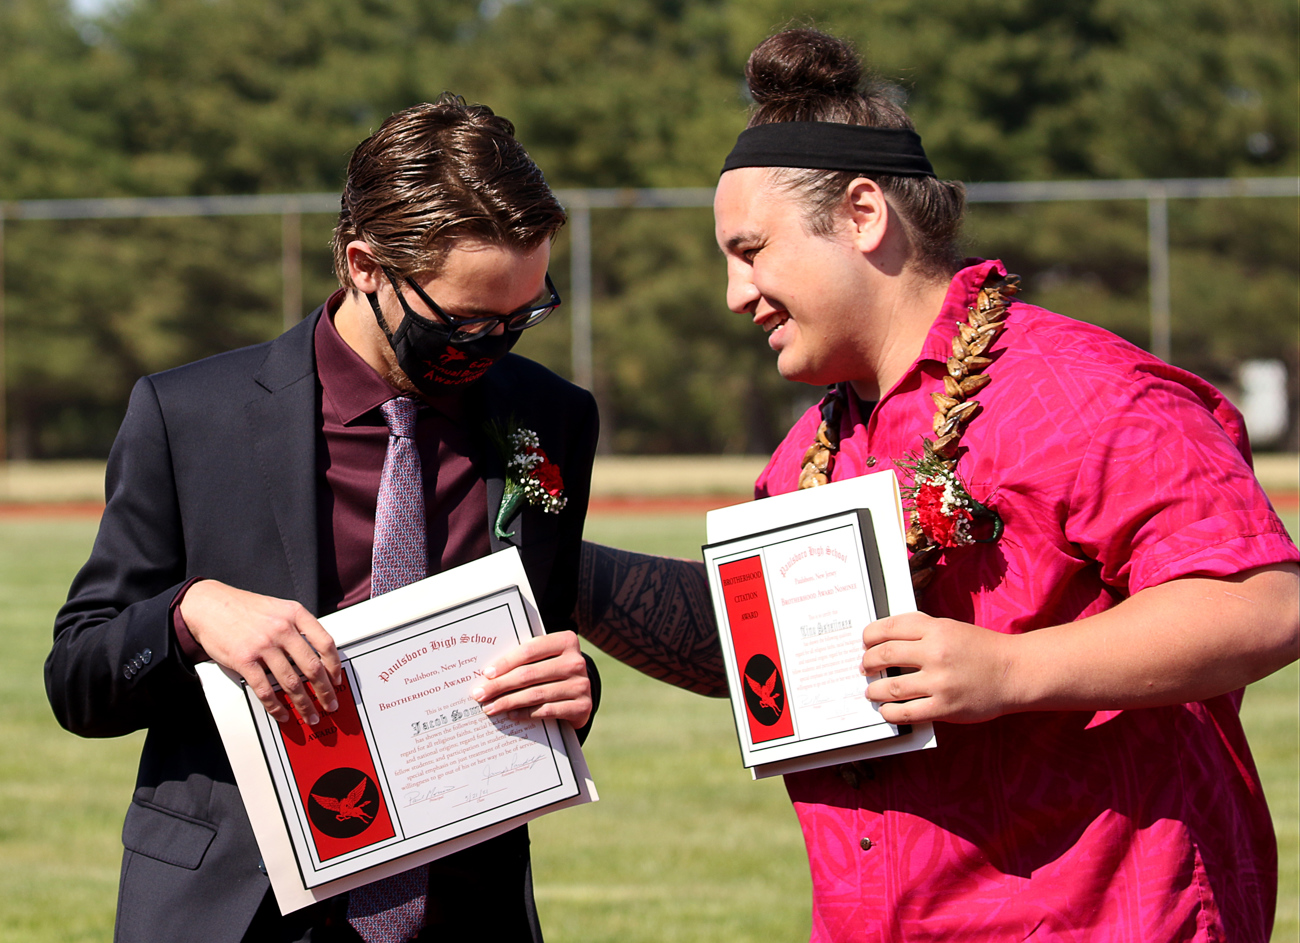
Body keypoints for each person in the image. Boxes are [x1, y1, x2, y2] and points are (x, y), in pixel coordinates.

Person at [575, 29, 1300, 942]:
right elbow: (754, 655)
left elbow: (1261, 601)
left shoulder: (1084, 391)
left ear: (862, 214)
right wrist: (563, 572)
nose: (735, 292)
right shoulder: (806, 453)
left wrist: (1009, 670)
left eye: (751, 250)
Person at [46, 95, 600, 943]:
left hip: (465, 909)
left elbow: (541, 642)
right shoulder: (188, 416)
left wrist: (572, 688)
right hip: (237, 914)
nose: (495, 344)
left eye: (523, 314)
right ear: (364, 264)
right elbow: (78, 679)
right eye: (464, 321)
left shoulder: (553, 417)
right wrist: (190, 614)